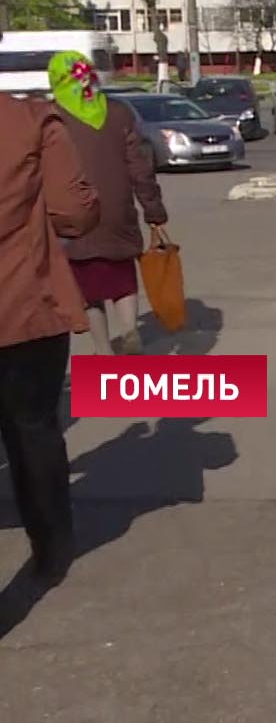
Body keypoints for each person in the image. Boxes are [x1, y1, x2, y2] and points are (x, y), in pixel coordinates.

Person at [0, 92, 100, 587]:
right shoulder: (31, 119)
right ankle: (51, 548)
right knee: (33, 427)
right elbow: (75, 213)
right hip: (24, 303)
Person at [47, 52, 167, 355]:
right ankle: (129, 331)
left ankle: (103, 350)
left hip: (72, 215)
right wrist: (153, 210)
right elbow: (140, 168)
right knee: (122, 277)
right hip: (118, 211)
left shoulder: (51, 118)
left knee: (87, 289)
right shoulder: (119, 113)